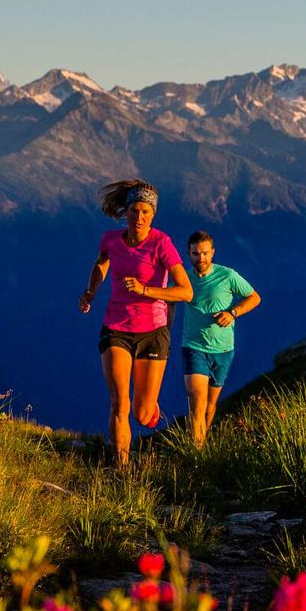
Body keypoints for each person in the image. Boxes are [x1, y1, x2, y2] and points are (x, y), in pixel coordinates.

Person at [79, 179, 192, 466]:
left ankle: (150, 407)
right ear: (126, 212)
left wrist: (146, 290)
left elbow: (185, 291)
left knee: (142, 414)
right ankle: (120, 469)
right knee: (119, 403)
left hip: (153, 332)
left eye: (145, 212)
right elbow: (102, 262)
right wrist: (91, 291)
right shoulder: (111, 240)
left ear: (153, 214)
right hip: (116, 328)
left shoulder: (161, 243)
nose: (139, 217)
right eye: (134, 211)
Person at [178, 231, 261, 446]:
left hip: (223, 350)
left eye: (205, 253)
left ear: (213, 252)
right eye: (196, 254)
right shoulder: (183, 279)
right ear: (189, 254)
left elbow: (254, 298)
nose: (201, 258)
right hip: (193, 347)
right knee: (197, 401)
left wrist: (232, 313)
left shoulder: (228, 275)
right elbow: (167, 301)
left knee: (209, 405)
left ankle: (203, 443)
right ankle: (196, 452)